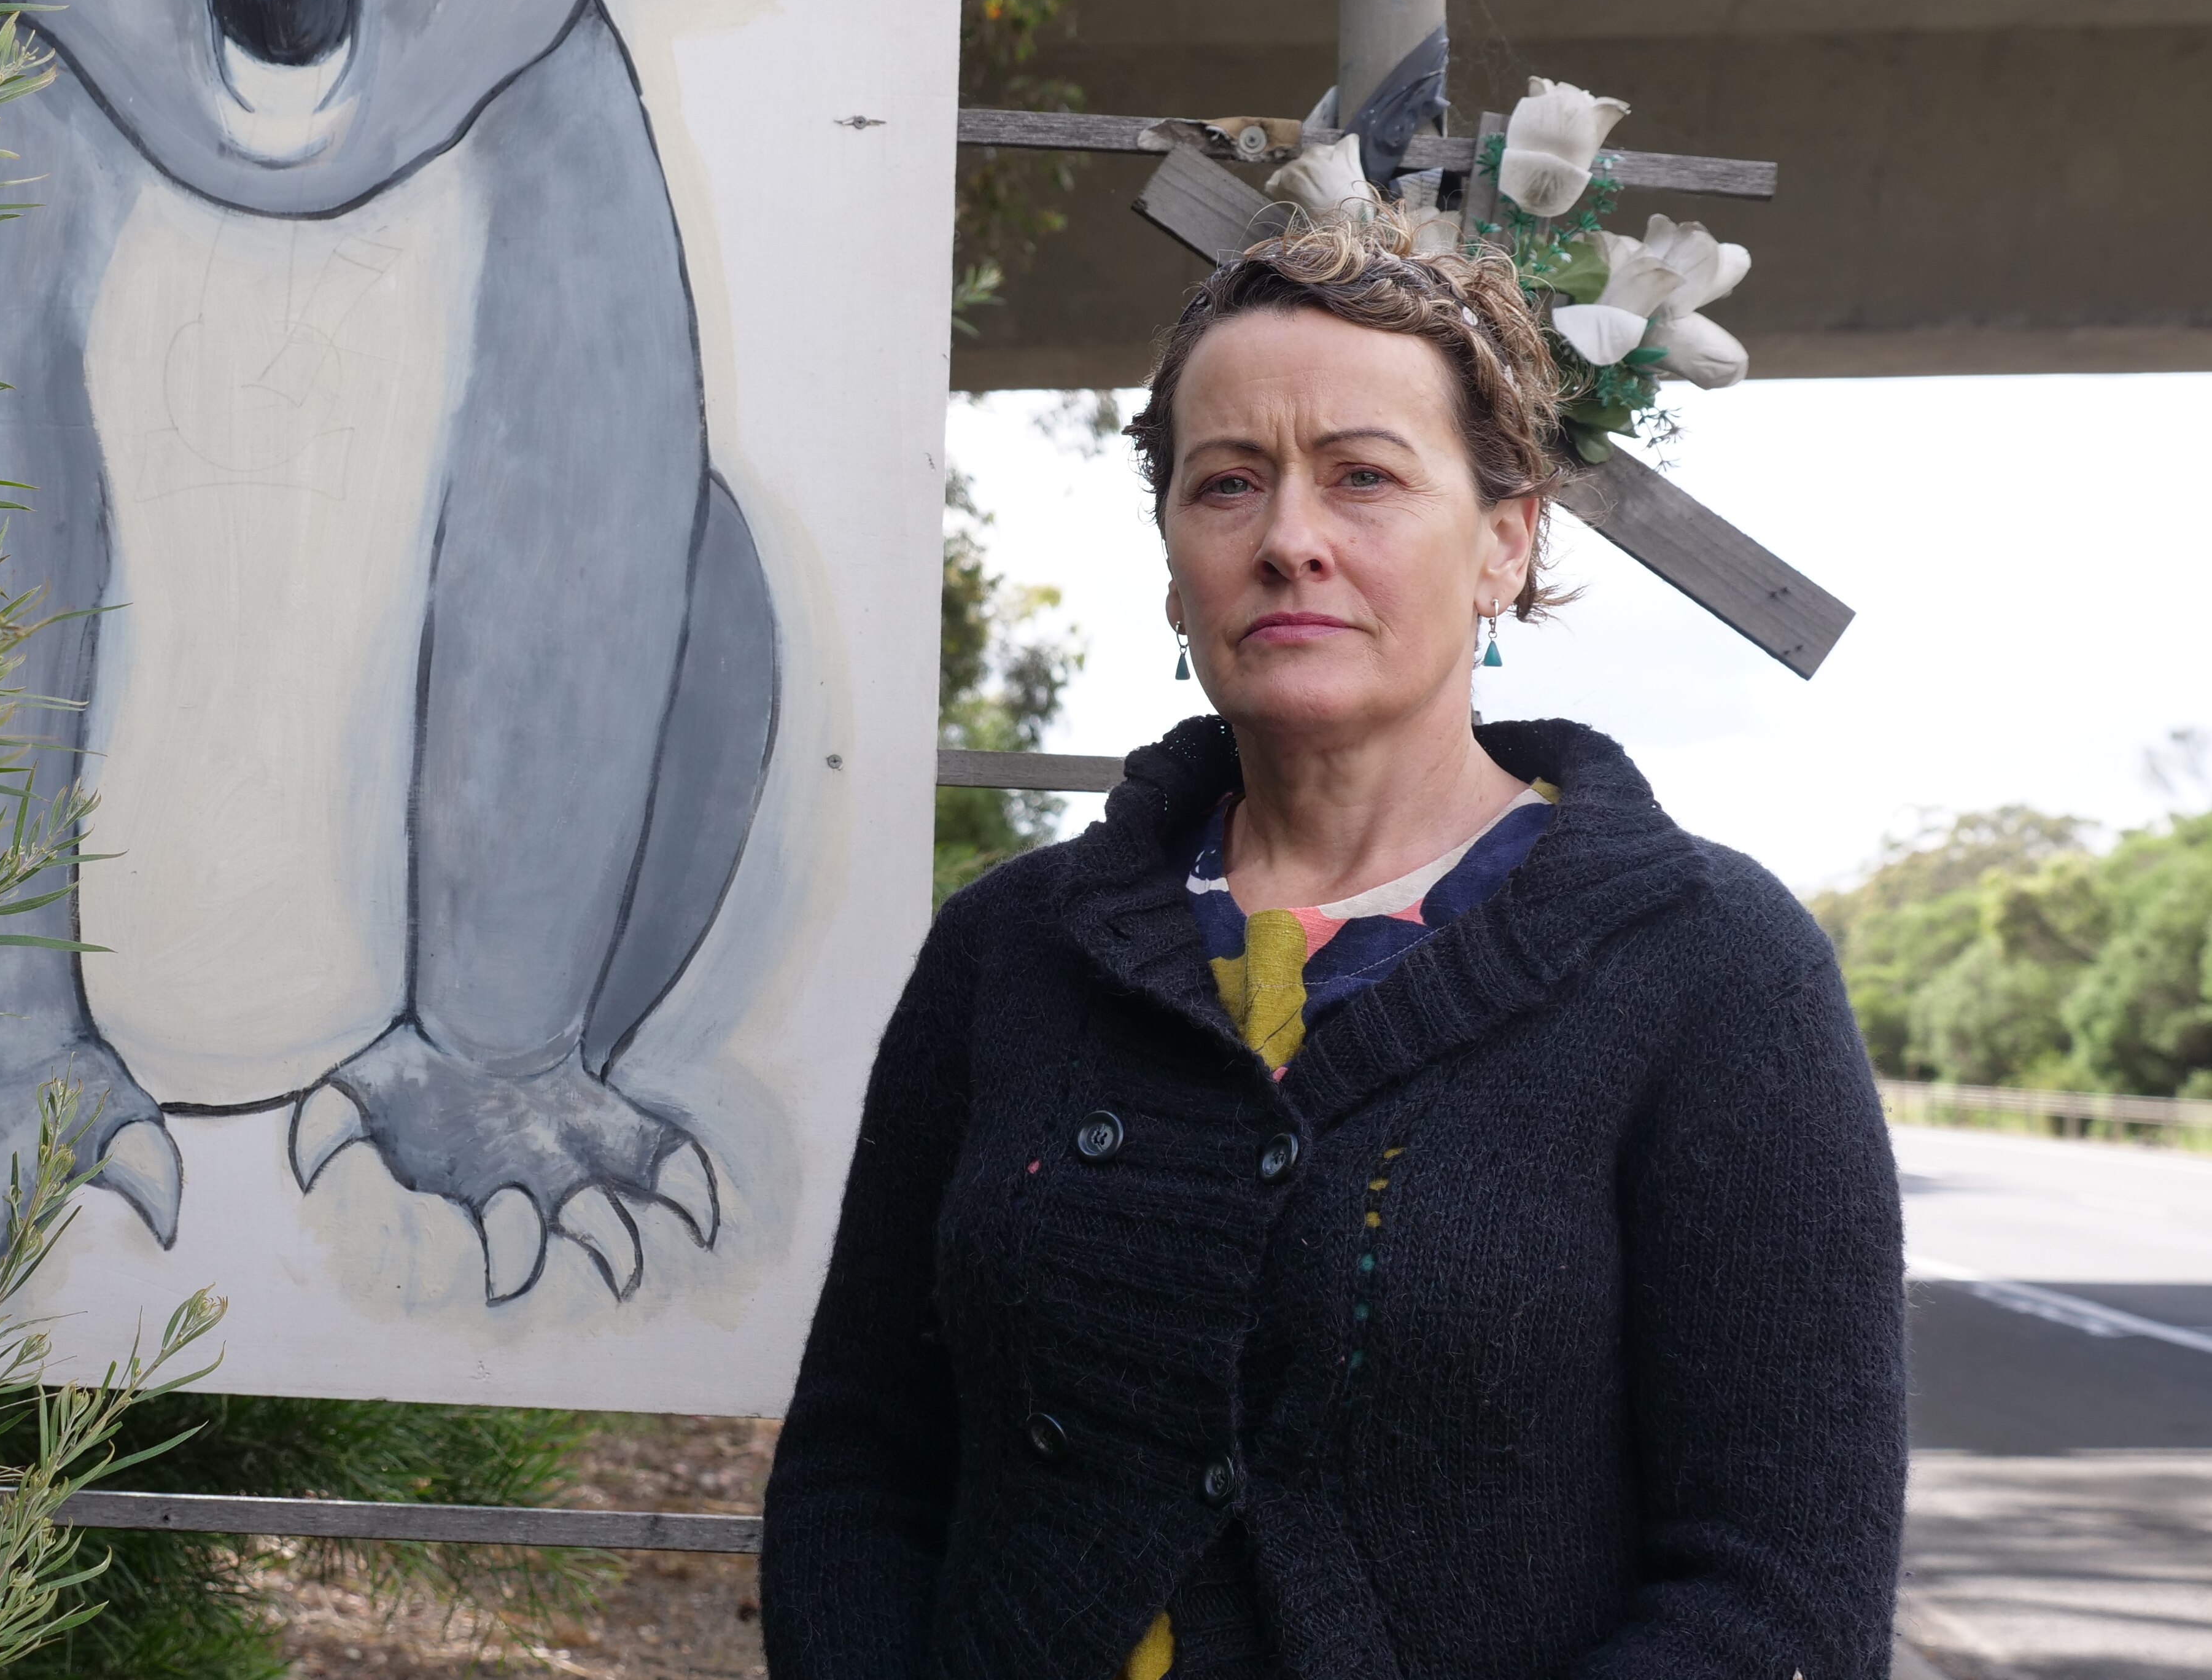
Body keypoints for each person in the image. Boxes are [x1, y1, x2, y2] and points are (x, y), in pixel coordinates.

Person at [761, 211, 1906, 1678]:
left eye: (1363, 477)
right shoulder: (1008, 954)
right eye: (1226, 483)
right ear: (1176, 562)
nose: (1289, 538)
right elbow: (864, 1468)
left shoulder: (1708, 969)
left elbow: (1775, 1594)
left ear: (1505, 540)